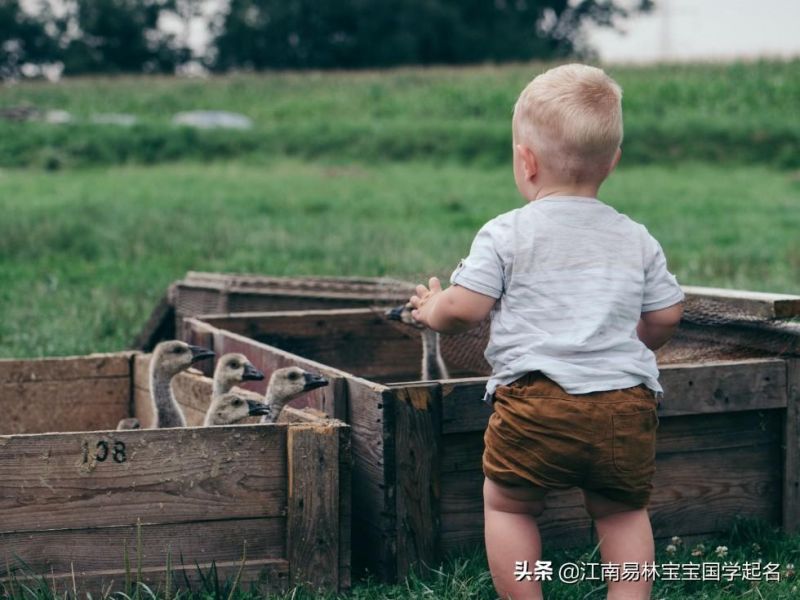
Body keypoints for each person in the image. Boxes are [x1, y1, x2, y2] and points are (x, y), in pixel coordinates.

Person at [408, 63, 684, 600]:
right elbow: (667, 315)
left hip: (537, 402)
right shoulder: (636, 237)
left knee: (509, 504)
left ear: (526, 161)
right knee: (623, 512)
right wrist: (636, 344)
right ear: (613, 162)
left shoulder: (508, 231)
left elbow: (465, 309)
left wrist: (431, 308)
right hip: (624, 407)